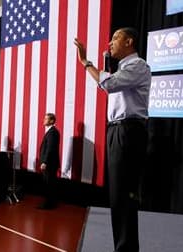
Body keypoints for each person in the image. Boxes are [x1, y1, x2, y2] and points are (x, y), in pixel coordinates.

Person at [74, 27, 151, 252]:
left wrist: (86, 62)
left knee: (124, 196)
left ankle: (126, 248)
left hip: (128, 131)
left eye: (116, 38)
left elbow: (108, 84)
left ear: (130, 41)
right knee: (117, 195)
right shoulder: (121, 69)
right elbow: (109, 82)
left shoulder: (138, 66)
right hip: (118, 131)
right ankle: (124, 247)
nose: (110, 42)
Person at [38, 113, 60, 210]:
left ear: (52, 121)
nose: (44, 120)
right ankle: (50, 203)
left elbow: (50, 149)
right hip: (50, 163)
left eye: (46, 118)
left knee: (49, 184)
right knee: (49, 183)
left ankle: (48, 204)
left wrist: (45, 162)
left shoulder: (52, 132)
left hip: (50, 163)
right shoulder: (51, 131)